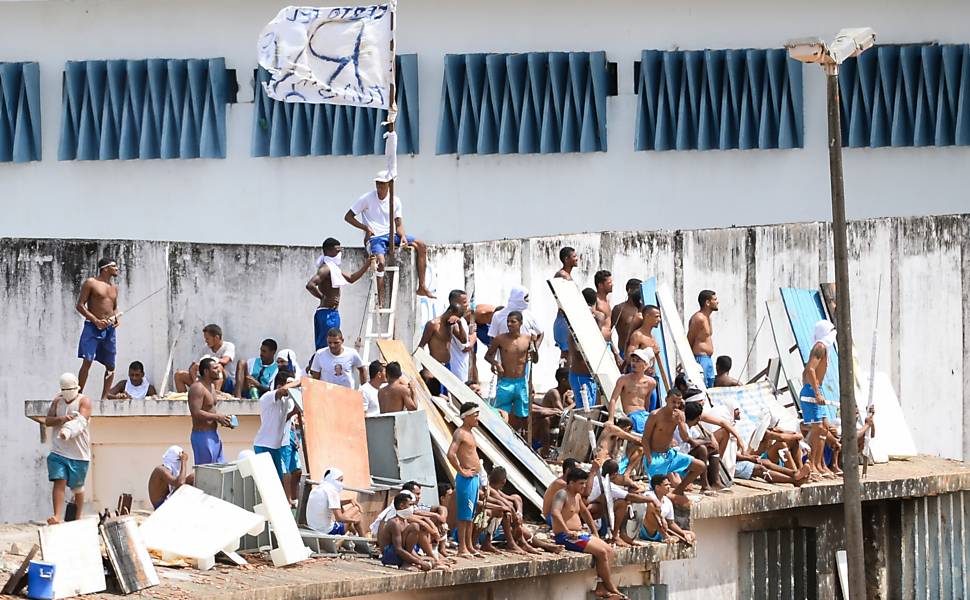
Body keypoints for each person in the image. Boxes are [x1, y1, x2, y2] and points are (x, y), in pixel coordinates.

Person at [344, 171, 434, 302]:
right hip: (375, 237)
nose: (379, 187)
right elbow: (348, 216)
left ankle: (422, 286)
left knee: (421, 245)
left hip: (390, 234)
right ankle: (380, 301)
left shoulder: (395, 201)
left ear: (389, 185)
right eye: (378, 183)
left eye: (382, 184)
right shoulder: (367, 198)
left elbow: (398, 224)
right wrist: (365, 228)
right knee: (381, 262)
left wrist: (402, 236)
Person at [550, 468, 625, 600]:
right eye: (581, 483)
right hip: (566, 537)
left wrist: (595, 532)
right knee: (601, 553)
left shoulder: (577, 496)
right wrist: (567, 531)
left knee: (610, 551)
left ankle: (601, 587)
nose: (584, 486)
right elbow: (555, 513)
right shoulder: (562, 494)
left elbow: (585, 513)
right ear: (571, 483)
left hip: (580, 534)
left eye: (584, 483)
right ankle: (611, 587)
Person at [306, 237, 376, 351]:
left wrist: (367, 264)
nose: (339, 253)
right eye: (337, 250)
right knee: (328, 347)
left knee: (326, 347)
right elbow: (310, 285)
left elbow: (351, 278)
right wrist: (322, 297)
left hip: (331, 313)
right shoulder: (326, 268)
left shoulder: (333, 268)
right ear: (328, 251)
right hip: (327, 314)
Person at [641, 388, 705, 506]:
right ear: (666, 400)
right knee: (663, 493)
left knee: (700, 466)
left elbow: (686, 438)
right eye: (673, 402)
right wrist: (649, 456)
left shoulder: (680, 415)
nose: (675, 405)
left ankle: (679, 489)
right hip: (656, 457)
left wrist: (680, 422)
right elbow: (645, 438)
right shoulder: (655, 415)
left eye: (678, 403)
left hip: (670, 455)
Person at [45, 373, 92, 524]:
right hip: (59, 451)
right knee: (59, 481)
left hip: (79, 454)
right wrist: (61, 419)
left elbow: (81, 421)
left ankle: (76, 519)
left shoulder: (84, 401)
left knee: (77, 489)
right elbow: (48, 421)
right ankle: (57, 516)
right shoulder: (57, 401)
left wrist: (67, 430)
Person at [75, 257, 120, 400]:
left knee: (111, 365)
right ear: (105, 268)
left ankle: (105, 397)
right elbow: (80, 305)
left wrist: (116, 318)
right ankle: (78, 395)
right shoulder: (91, 283)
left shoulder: (114, 288)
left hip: (109, 329)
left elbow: (114, 307)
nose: (117, 269)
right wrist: (95, 321)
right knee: (87, 361)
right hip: (92, 327)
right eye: (114, 266)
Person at [485, 311, 537, 432]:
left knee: (523, 415)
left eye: (513, 321)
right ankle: (501, 436)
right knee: (501, 413)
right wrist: (496, 364)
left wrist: (534, 344)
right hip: (505, 382)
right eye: (508, 321)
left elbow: (535, 360)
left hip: (521, 383)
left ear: (520, 323)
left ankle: (522, 439)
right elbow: (488, 356)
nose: (509, 324)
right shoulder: (500, 339)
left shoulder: (527, 339)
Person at [587, 459, 656, 546]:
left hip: (591, 510)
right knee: (622, 503)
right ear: (615, 474)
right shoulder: (607, 484)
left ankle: (621, 534)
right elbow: (630, 497)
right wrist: (651, 499)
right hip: (591, 512)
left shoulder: (597, 478)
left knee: (615, 501)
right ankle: (615, 536)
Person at [802, 319, 838, 478]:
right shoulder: (820, 347)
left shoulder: (825, 348)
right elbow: (810, 369)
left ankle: (820, 463)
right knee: (817, 429)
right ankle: (811, 464)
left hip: (818, 388)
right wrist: (816, 393)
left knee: (824, 428)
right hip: (812, 390)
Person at [253, 371, 301, 490]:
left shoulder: (285, 401)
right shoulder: (269, 396)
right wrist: (299, 381)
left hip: (276, 447)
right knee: (267, 483)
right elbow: (284, 390)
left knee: (277, 482)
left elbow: (283, 420)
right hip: (263, 446)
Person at [447, 402, 481, 558]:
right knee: (464, 515)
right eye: (475, 415)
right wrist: (461, 471)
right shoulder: (460, 433)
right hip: (465, 479)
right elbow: (451, 454)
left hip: (474, 477)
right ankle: (462, 548)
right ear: (466, 417)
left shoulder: (471, 433)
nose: (477, 419)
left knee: (471, 515)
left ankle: (469, 545)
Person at [188, 358, 234, 466]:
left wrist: (224, 421)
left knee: (219, 470)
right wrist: (217, 417)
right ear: (206, 371)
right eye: (215, 368)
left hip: (214, 435)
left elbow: (210, 410)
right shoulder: (197, 388)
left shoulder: (212, 387)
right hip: (202, 436)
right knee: (206, 473)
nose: (219, 370)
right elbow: (195, 412)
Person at [417, 303, 469, 390]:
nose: (456, 320)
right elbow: (421, 346)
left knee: (447, 395)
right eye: (456, 317)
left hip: (447, 366)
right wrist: (426, 367)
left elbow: (464, 340)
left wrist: (459, 323)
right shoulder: (433, 324)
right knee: (438, 395)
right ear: (450, 312)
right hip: (434, 367)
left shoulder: (451, 326)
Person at [174, 324, 237, 394]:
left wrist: (210, 362)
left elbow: (225, 361)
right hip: (207, 381)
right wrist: (196, 380)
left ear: (216, 338)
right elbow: (193, 366)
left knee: (218, 367)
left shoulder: (228, 346)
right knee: (179, 375)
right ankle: (185, 399)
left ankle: (216, 396)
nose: (206, 341)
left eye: (207, 339)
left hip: (226, 383)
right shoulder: (206, 347)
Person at [607, 348, 658, 434]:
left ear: (645, 364)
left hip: (644, 415)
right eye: (633, 360)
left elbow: (647, 401)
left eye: (637, 361)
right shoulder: (623, 380)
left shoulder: (651, 382)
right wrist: (610, 419)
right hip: (632, 415)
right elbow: (613, 399)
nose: (634, 363)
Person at [377, 493, 434, 571]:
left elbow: (408, 548)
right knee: (414, 526)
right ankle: (407, 563)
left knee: (432, 561)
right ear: (402, 506)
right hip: (391, 554)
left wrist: (421, 560)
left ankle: (411, 562)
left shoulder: (405, 521)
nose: (412, 507)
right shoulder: (395, 523)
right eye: (410, 505)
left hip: (401, 553)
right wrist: (419, 561)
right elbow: (398, 549)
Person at [638, 475, 695, 545]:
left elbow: (671, 523)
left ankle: (672, 537)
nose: (669, 487)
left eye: (669, 484)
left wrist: (683, 534)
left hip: (661, 530)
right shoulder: (648, 495)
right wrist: (662, 518)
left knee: (691, 534)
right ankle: (666, 536)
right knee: (652, 507)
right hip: (647, 529)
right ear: (657, 487)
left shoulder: (667, 501)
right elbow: (652, 505)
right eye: (666, 485)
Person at [307, 468, 364, 536]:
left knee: (343, 512)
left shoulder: (317, 489)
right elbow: (339, 518)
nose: (342, 483)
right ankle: (364, 541)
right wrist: (354, 521)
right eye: (340, 480)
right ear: (333, 479)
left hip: (313, 528)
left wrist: (349, 500)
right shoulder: (332, 491)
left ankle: (354, 533)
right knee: (357, 512)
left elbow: (332, 504)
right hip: (327, 532)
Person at [532, 367, 574, 456]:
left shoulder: (564, 394)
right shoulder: (554, 392)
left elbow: (573, 405)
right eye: (570, 379)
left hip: (555, 427)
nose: (572, 381)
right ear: (563, 380)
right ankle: (545, 451)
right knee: (545, 420)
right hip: (542, 429)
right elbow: (561, 411)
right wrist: (573, 405)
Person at [687, 290, 719, 388]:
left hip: (708, 359)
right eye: (715, 299)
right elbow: (689, 339)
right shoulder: (698, 318)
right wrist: (687, 359)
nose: (717, 302)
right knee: (701, 387)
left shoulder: (708, 317)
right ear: (707, 303)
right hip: (700, 359)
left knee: (710, 386)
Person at [552, 247, 579, 364]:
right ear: (566, 259)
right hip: (564, 319)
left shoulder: (567, 275)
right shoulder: (562, 275)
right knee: (567, 353)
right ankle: (563, 378)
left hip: (568, 318)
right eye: (574, 256)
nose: (577, 259)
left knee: (569, 353)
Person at [148, 446, 193, 510]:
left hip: (168, 500)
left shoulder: (170, 470)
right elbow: (180, 483)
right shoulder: (161, 470)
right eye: (179, 460)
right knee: (191, 478)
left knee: (193, 477)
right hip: (161, 506)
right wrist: (184, 462)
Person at [734, 449, 810, 486]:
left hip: (736, 459)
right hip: (729, 465)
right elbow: (729, 456)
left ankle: (794, 473)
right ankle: (794, 481)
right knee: (760, 469)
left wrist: (748, 456)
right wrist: (748, 458)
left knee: (766, 462)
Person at [611, 278, 644, 359]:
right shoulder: (619, 309)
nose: (640, 292)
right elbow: (608, 334)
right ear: (629, 290)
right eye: (638, 289)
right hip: (624, 354)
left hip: (642, 355)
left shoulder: (644, 309)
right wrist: (616, 355)